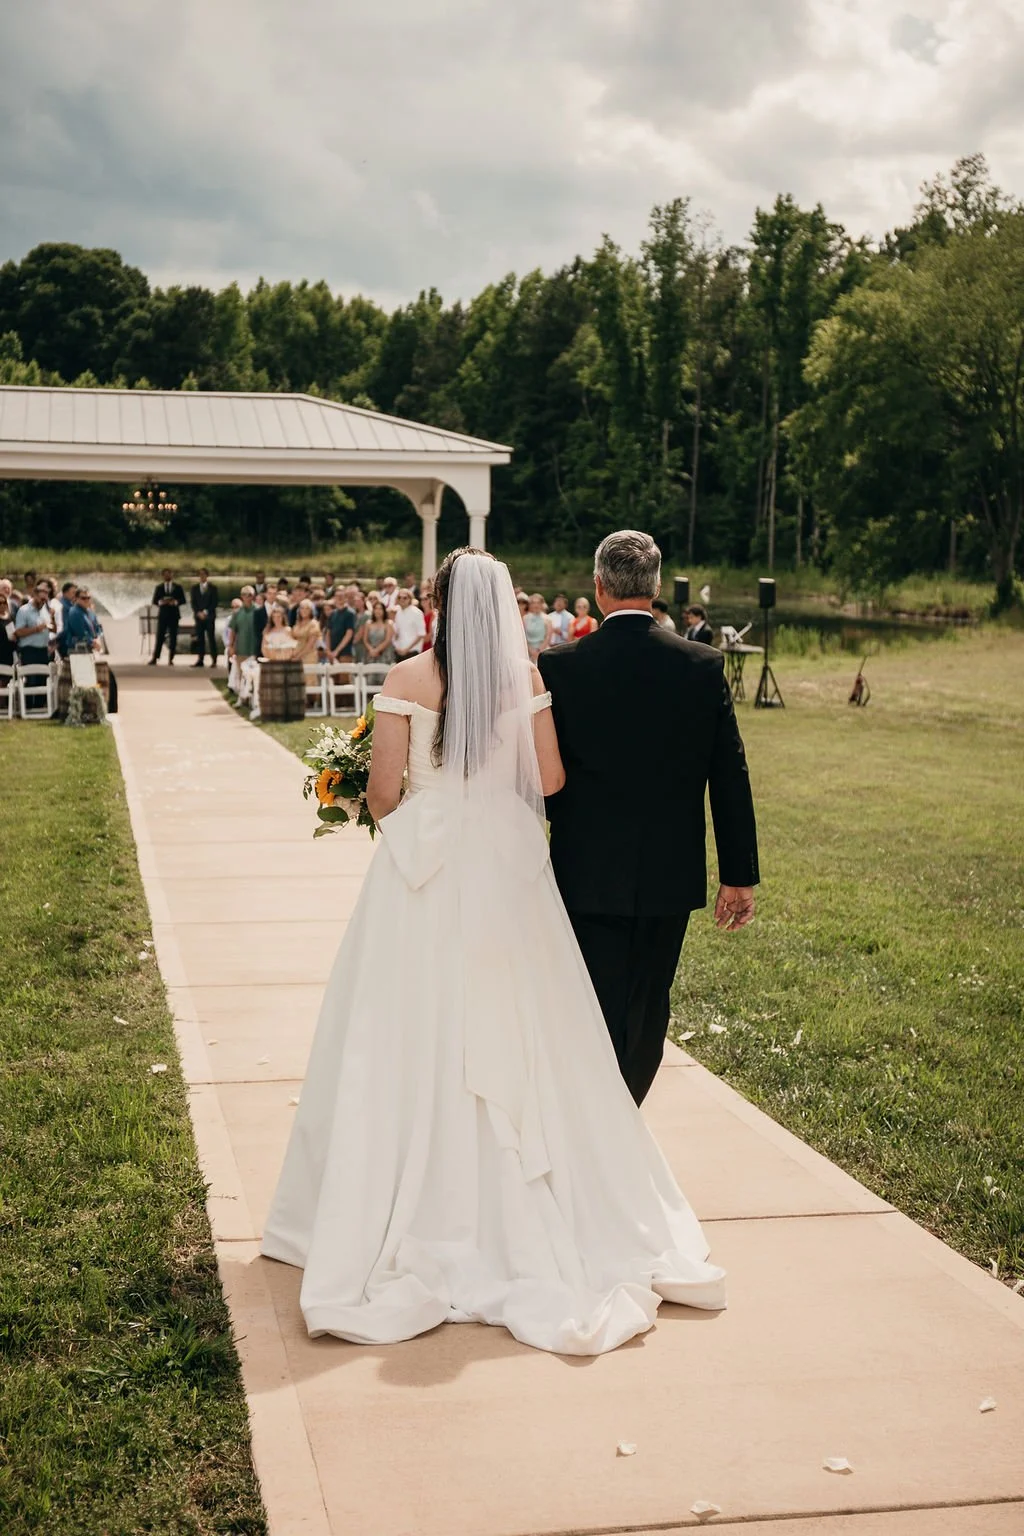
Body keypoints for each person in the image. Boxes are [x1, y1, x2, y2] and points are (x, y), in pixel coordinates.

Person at [261, 547, 727, 1356]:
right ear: (502, 606)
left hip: (428, 865)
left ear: (436, 601)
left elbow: (381, 793)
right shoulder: (528, 681)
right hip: (505, 864)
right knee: (527, 1019)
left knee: (404, 1025)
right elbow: (548, 782)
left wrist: (404, 798)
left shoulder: (406, 680)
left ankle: (386, 1206)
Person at [540, 530, 758, 1107]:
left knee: (590, 1001)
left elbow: (540, 776)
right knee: (649, 1000)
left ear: (599, 587)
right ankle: (625, 1116)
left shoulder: (559, 667)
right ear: (657, 586)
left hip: (583, 869)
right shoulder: (701, 664)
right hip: (669, 869)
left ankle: (597, 1125)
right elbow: (728, 775)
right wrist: (738, 875)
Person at [14, 579, 56, 669]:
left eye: (45, 600)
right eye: (41, 599)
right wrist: (36, 629)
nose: (42, 602)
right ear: (35, 595)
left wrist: (52, 617)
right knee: (31, 681)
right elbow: (18, 632)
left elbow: (53, 630)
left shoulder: (45, 610)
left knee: (43, 681)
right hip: (29, 651)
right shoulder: (24, 610)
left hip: (44, 651)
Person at [149, 570, 186, 665]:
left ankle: (171, 658)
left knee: (173, 637)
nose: (167, 576)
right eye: (165, 575)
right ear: (163, 576)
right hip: (163, 615)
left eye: (169, 574)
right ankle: (155, 658)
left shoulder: (178, 587)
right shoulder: (159, 587)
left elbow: (183, 600)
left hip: (174, 615)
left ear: (172, 575)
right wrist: (161, 602)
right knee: (160, 637)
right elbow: (154, 601)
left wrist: (175, 602)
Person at [190, 570, 219, 667]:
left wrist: (206, 612)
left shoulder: (213, 588)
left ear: (207, 576)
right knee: (200, 639)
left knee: (211, 638)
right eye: (200, 575)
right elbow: (193, 603)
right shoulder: (194, 588)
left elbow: (215, 602)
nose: (202, 576)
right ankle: (200, 660)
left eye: (203, 575)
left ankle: (214, 660)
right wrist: (198, 612)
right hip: (198, 617)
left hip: (209, 617)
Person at [391, 588, 426, 659]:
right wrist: (396, 646)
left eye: (405, 597)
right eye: (399, 597)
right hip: (399, 652)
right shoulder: (398, 612)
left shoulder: (417, 613)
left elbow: (421, 634)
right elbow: (397, 633)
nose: (401, 599)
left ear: (410, 599)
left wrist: (407, 649)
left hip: (412, 653)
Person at [290, 600, 322, 665]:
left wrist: (298, 657)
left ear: (311, 611)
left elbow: (310, 644)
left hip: (308, 656)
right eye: (302, 608)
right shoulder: (297, 624)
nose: (304, 610)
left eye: (307, 608)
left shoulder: (313, 624)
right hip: (295, 655)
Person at [523, 593, 548, 660]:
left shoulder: (548, 619)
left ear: (542, 604)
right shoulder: (525, 618)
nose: (536, 605)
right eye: (533, 603)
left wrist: (539, 651)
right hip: (528, 651)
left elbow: (547, 637)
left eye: (538, 603)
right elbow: (523, 636)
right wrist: (530, 650)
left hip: (543, 651)